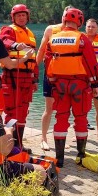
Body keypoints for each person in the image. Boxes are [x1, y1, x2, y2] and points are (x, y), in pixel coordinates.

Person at [46, 7, 98, 167]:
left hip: (60, 85)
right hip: (80, 86)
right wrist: (95, 83)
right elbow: (91, 63)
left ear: (64, 20)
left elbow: (48, 61)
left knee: (61, 118)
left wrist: (51, 79)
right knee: (81, 118)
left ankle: (60, 159)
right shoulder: (82, 39)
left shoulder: (53, 39)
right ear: (80, 22)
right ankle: (81, 154)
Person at [0, 4, 39, 151]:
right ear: (13, 17)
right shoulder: (8, 30)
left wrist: (35, 79)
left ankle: (19, 145)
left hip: (27, 77)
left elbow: (33, 59)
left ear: (27, 16)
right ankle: (10, 146)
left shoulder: (30, 34)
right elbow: (3, 41)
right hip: (12, 76)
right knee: (11, 112)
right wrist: (15, 45)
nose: (21, 18)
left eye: (24, 15)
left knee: (23, 112)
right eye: (18, 15)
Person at [35, 14, 67, 152]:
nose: (68, 20)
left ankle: (60, 137)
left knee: (64, 109)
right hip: (50, 74)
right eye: (66, 17)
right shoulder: (50, 30)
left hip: (66, 77)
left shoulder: (77, 34)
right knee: (49, 109)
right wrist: (34, 70)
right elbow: (42, 50)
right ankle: (43, 138)